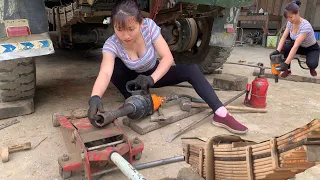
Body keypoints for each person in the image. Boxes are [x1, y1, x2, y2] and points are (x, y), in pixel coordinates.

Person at [87, 0, 248, 134]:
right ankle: (134, 98)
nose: (125, 35)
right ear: (113, 25)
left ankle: (221, 113)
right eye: (119, 29)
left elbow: (167, 57)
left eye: (131, 29)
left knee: (191, 69)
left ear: (140, 23)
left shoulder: (149, 27)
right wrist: (95, 98)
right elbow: (105, 72)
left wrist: (151, 78)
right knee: (115, 68)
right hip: (132, 80)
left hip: (153, 74)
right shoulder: (112, 43)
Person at [270, 0, 319, 77]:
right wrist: (277, 50)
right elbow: (283, 37)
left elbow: (295, 46)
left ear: (298, 13)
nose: (289, 20)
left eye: (291, 17)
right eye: (287, 18)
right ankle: (288, 70)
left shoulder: (305, 26)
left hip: (311, 48)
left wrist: (286, 63)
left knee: (312, 63)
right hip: (299, 47)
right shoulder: (290, 22)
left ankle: (311, 68)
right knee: (286, 47)